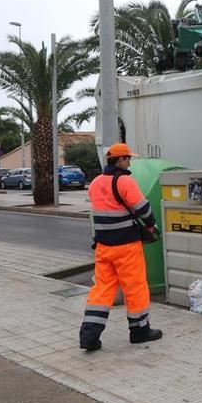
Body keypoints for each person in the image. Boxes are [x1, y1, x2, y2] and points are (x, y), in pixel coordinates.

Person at [79, 143, 162, 351]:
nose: (130, 162)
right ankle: (139, 331)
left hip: (103, 246)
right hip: (126, 246)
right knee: (135, 287)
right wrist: (152, 226)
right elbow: (143, 208)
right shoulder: (125, 181)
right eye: (128, 159)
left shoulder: (96, 183)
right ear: (121, 160)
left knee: (102, 289)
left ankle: (89, 335)